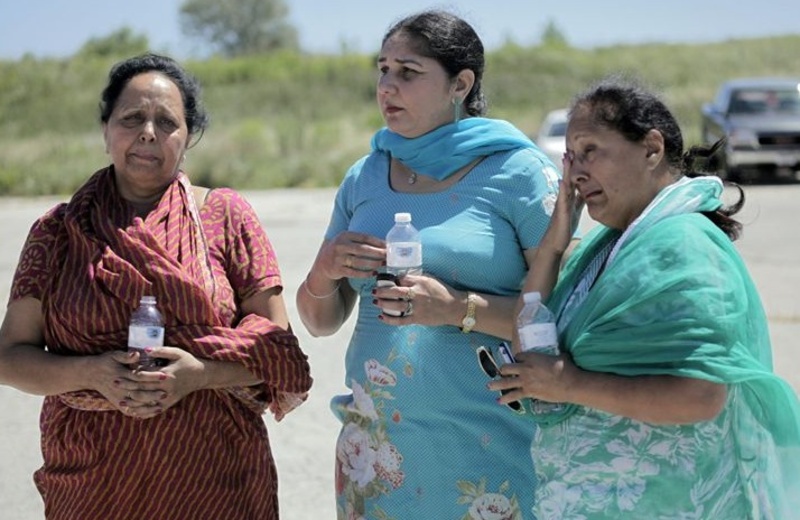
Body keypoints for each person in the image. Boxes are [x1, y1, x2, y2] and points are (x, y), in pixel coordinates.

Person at [0, 53, 313, 520]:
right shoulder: (58, 232)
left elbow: (278, 351)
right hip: (91, 485)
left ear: (188, 138)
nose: (148, 131)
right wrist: (92, 374)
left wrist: (200, 376)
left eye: (166, 122)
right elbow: (9, 356)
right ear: (106, 130)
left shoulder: (225, 217)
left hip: (219, 480)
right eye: (131, 118)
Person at [489, 76, 800, 518]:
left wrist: (570, 384)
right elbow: (531, 335)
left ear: (651, 149)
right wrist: (555, 244)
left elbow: (700, 395)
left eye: (591, 150)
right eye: (570, 157)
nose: (576, 171)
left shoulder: (681, 243)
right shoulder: (613, 245)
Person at [296, 9, 563, 519]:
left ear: (460, 84)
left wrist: (459, 308)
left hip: (492, 442)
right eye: (382, 70)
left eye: (408, 72)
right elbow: (319, 319)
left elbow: (568, 312)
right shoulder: (365, 176)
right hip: (378, 450)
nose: (387, 86)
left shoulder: (519, 173)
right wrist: (325, 268)